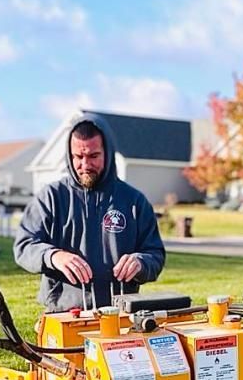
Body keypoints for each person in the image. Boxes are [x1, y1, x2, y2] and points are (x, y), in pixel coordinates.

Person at [14, 113, 165, 310]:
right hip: (64, 315)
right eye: (78, 157)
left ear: (108, 153)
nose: (85, 165)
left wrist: (141, 262)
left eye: (93, 156)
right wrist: (53, 256)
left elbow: (155, 254)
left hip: (119, 316)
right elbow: (24, 246)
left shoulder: (134, 201)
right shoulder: (51, 197)